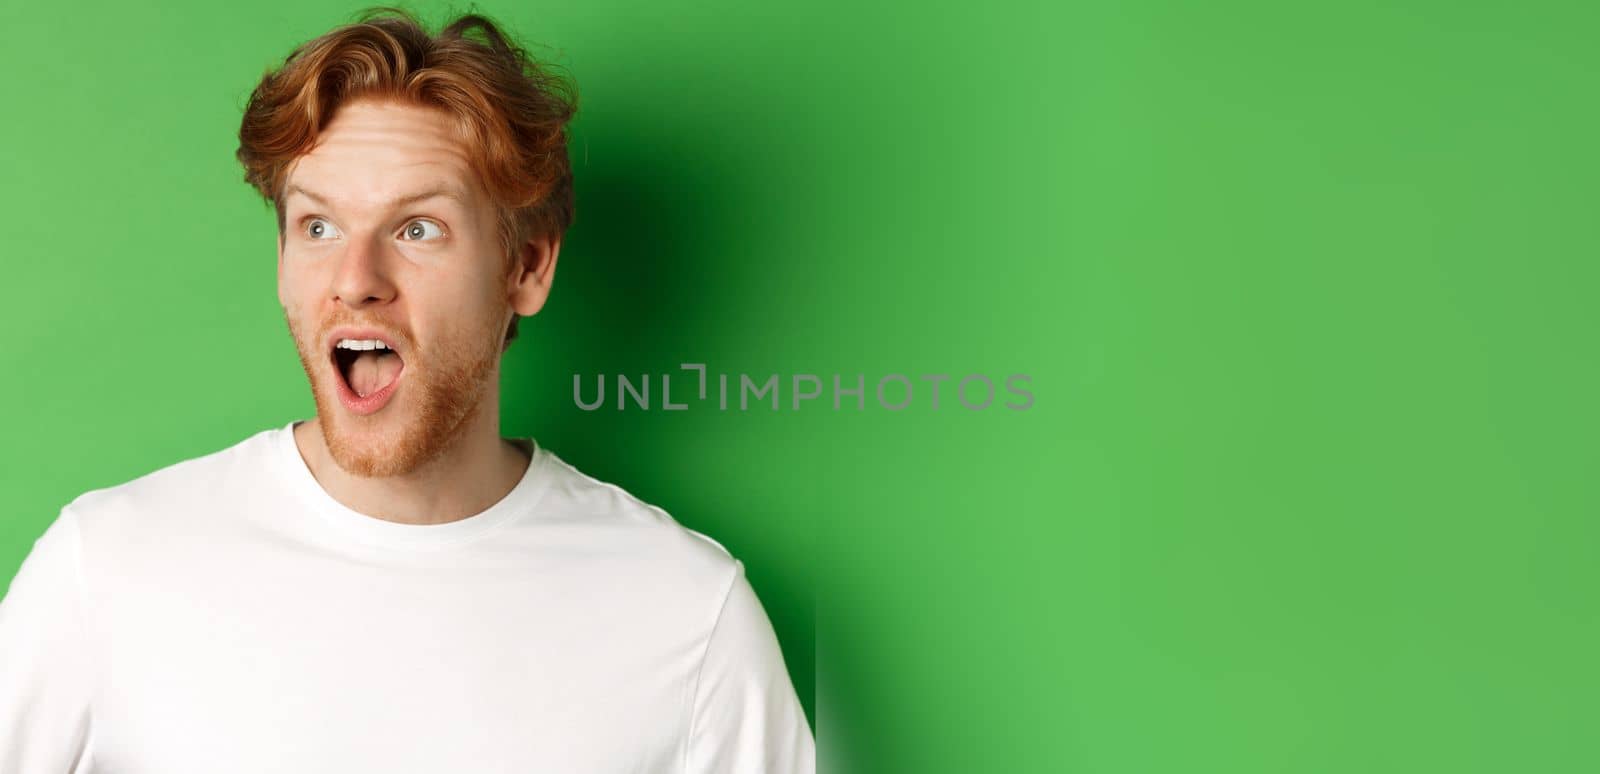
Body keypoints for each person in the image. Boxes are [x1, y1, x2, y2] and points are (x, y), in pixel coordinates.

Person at [0, 9, 814, 773]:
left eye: (417, 228)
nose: (355, 281)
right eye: (318, 227)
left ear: (526, 267)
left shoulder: (687, 615)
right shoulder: (105, 569)